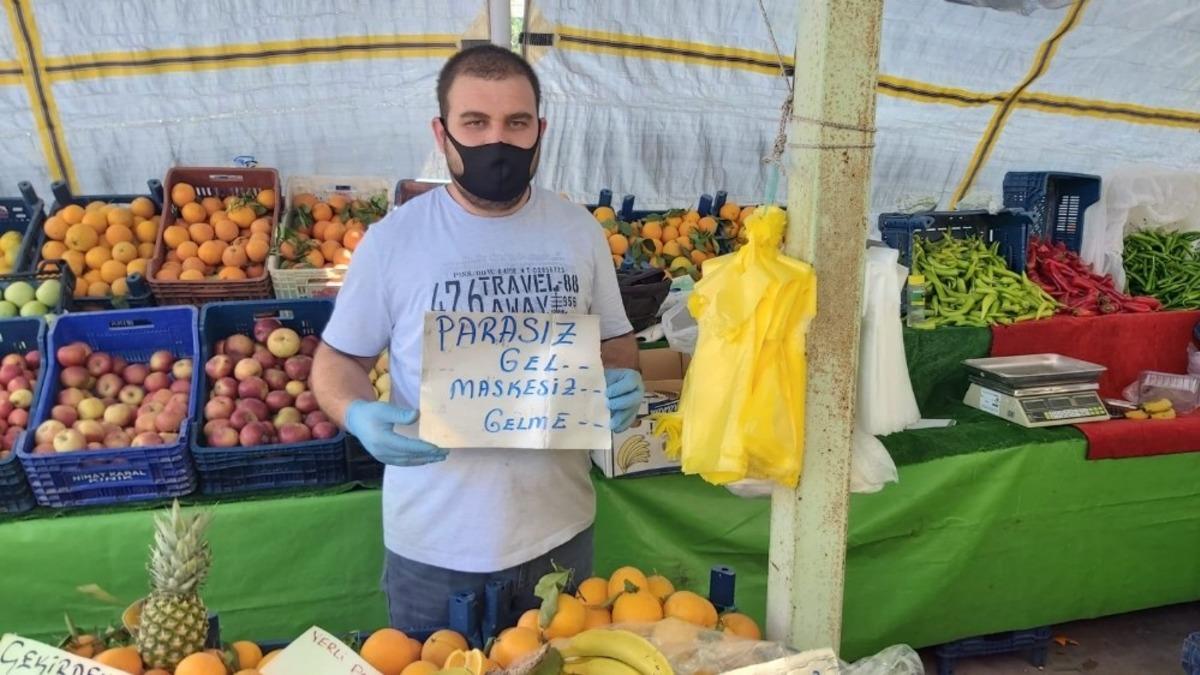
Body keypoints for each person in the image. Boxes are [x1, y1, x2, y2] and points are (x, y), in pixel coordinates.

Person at [311, 44, 643, 631]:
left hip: (560, 531)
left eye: (516, 123)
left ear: (540, 131)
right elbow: (338, 358)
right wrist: (355, 412)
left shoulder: (578, 231)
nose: (497, 140)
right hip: (434, 544)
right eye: (475, 122)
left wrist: (623, 378)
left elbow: (615, 340)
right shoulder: (394, 240)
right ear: (441, 134)